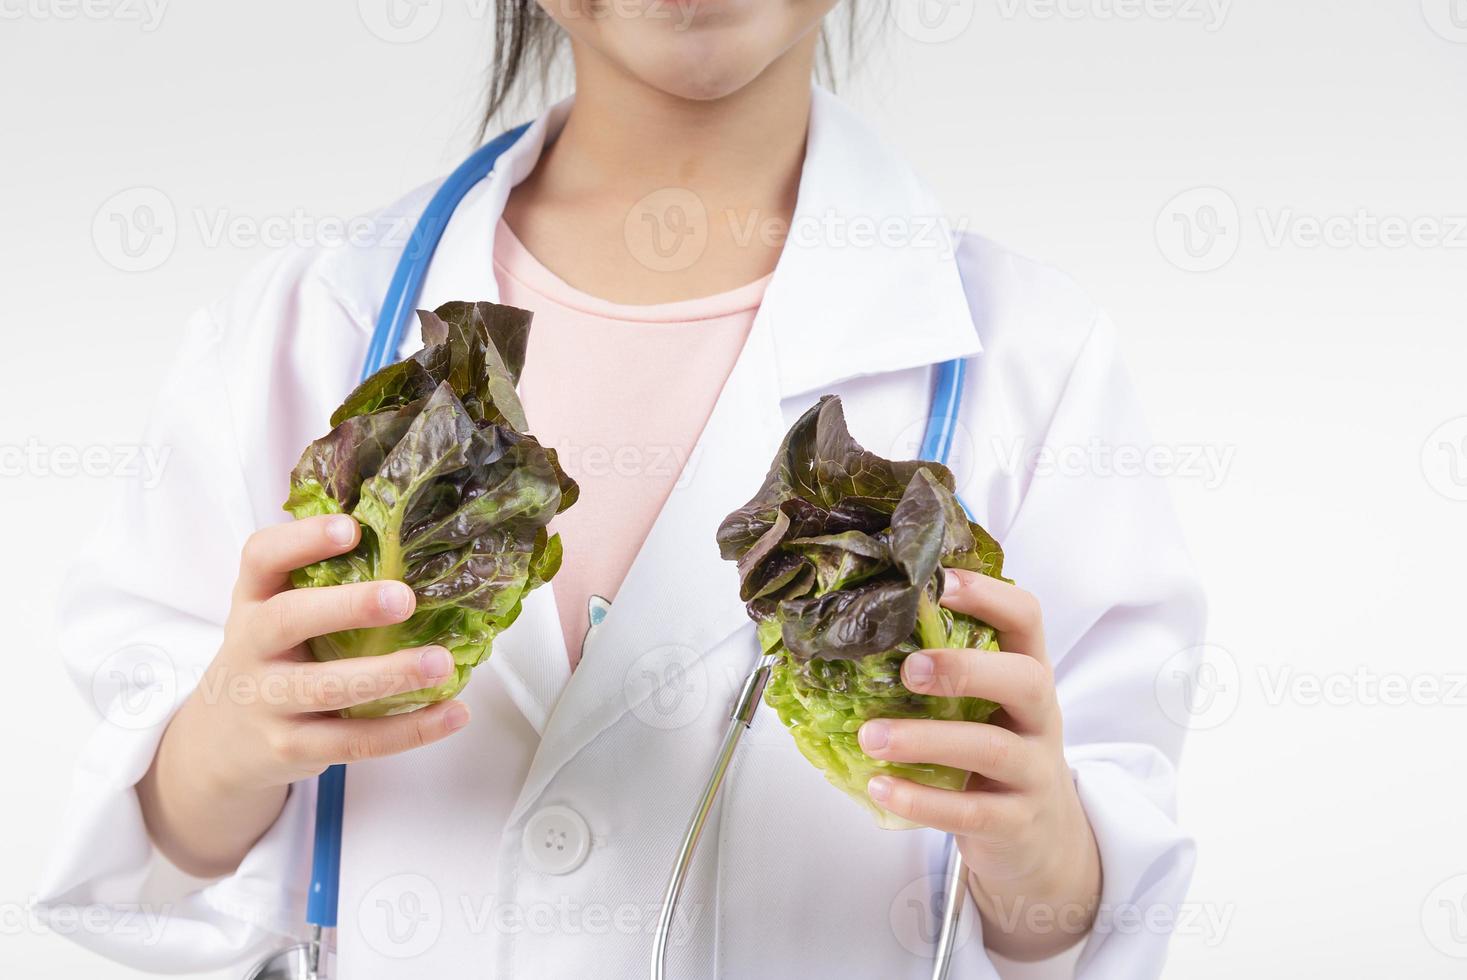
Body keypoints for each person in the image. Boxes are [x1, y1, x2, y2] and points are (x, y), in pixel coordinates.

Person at [37, 3, 1205, 977]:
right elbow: (155, 849)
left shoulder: (1030, 361)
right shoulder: (304, 327)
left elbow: (1091, 898)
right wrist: (217, 753)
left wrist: (1041, 841)